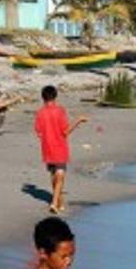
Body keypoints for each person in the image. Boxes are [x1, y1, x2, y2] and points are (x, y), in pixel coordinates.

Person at [34, 84, 88, 215]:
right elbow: (65, 131)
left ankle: (60, 202)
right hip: (59, 148)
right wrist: (79, 120)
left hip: (47, 148)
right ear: (55, 96)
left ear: (43, 98)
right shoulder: (59, 111)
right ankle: (54, 203)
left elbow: (38, 132)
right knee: (60, 176)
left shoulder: (40, 113)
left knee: (54, 176)